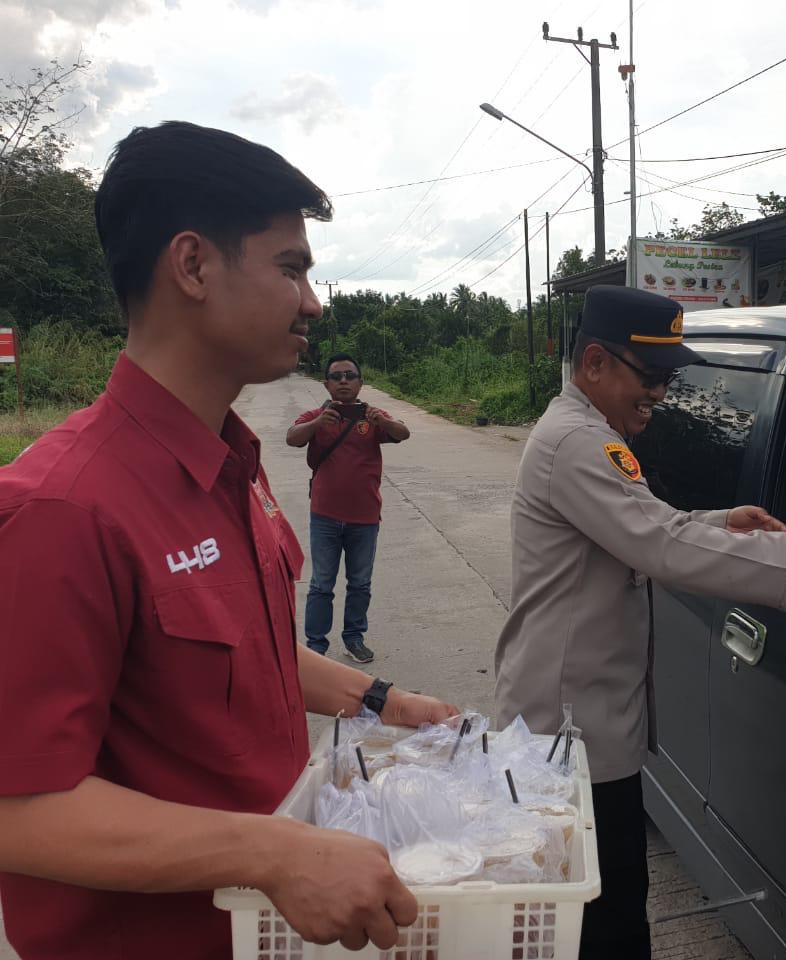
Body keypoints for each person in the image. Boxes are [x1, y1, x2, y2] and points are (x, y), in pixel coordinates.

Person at [0, 121, 460, 960]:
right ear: (193, 265)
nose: (314, 304)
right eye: (291, 269)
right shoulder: (62, 508)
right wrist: (273, 852)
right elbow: (21, 811)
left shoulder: (232, 468)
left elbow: (242, 653)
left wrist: (384, 702)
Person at [494, 285, 786, 960]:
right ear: (596, 363)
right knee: (602, 921)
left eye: (668, 379)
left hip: (584, 718)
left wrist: (721, 519)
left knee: (605, 903)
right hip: (571, 729)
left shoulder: (584, 434)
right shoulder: (578, 441)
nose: (660, 394)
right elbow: (659, 549)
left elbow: (642, 526)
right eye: (651, 377)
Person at [287, 353, 408, 663]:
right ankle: (316, 646)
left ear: (360, 382)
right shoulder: (316, 415)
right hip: (324, 517)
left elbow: (402, 432)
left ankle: (354, 638)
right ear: (326, 384)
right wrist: (317, 423)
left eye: (349, 376)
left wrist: (384, 421)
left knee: (360, 584)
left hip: (365, 518)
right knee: (321, 584)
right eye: (337, 376)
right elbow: (291, 438)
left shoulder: (372, 416)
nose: (343, 381)